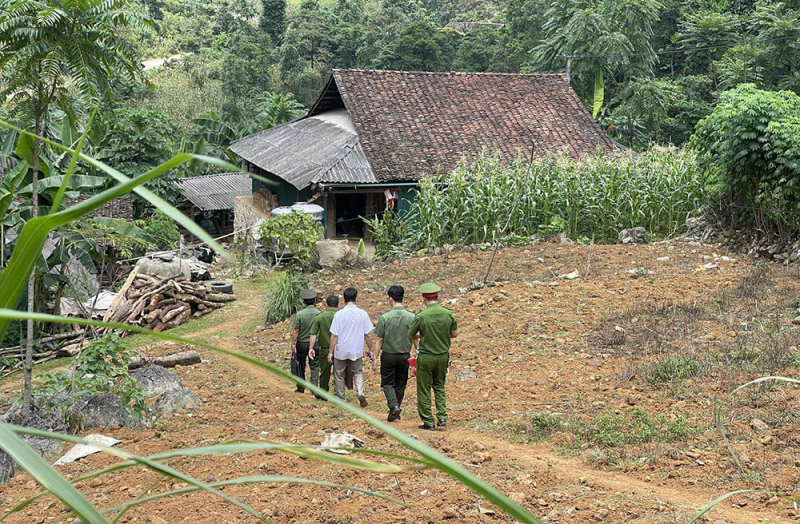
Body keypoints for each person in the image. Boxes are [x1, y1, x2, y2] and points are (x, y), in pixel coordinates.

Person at [407, 283, 458, 431]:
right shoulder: (448, 314)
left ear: (424, 298)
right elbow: (454, 334)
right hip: (443, 356)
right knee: (439, 386)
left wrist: (423, 334)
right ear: (437, 297)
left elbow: (410, 335)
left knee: (424, 388)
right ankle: (442, 416)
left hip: (426, 357)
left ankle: (428, 421)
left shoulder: (421, 316)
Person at [374, 285, 416, 421]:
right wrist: (417, 353)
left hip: (388, 355)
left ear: (390, 299)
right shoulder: (411, 317)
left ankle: (394, 406)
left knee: (388, 382)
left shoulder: (385, 318)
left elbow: (379, 339)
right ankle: (396, 407)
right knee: (401, 382)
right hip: (404, 355)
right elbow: (416, 338)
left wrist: (375, 357)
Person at [328, 287, 374, 407]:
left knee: (339, 374)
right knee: (357, 372)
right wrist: (371, 350)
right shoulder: (362, 314)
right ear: (356, 299)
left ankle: (341, 398)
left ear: (344, 300)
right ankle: (360, 392)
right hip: (356, 350)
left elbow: (334, 335)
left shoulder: (339, 315)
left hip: (341, 350)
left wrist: (330, 352)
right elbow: (368, 335)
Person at [290, 289, 320, 394]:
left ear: (303, 301)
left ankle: (300, 387)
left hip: (302, 343)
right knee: (314, 366)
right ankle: (314, 388)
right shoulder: (319, 314)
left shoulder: (300, 314)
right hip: (315, 344)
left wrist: (293, 343)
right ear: (314, 300)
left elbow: (296, 330)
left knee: (300, 365)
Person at [309, 295, 339, 399]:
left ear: (326, 305)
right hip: (340, 349)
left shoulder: (320, 317)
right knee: (338, 373)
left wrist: (311, 348)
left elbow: (313, 333)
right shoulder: (341, 316)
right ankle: (338, 394)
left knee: (324, 372)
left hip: (325, 349)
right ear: (338, 305)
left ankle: (323, 393)